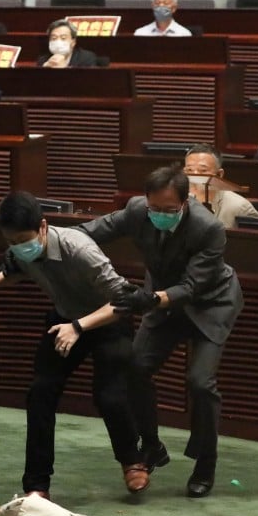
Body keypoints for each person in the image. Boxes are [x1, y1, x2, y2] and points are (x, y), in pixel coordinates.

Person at [0, 192, 148, 498]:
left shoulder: (79, 250)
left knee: (108, 397)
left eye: (24, 239)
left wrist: (79, 327)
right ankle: (37, 485)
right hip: (64, 321)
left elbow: (125, 301)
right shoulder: (20, 249)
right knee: (40, 394)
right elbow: (13, 267)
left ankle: (132, 461)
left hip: (107, 322)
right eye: (12, 241)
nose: (19, 247)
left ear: (43, 227)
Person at [78, 166, 243, 498]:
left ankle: (205, 463)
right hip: (162, 300)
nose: (160, 215)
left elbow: (194, 286)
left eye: (169, 211)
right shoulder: (138, 210)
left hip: (210, 304)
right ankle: (151, 445)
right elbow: (93, 230)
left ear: (186, 202)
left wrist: (151, 298)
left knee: (200, 382)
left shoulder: (208, 228)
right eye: (155, 208)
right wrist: (53, 238)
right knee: (134, 368)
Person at [184, 144, 258, 229]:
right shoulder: (176, 200)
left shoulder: (240, 208)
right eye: (189, 170)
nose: (194, 175)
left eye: (203, 170)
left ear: (219, 174)